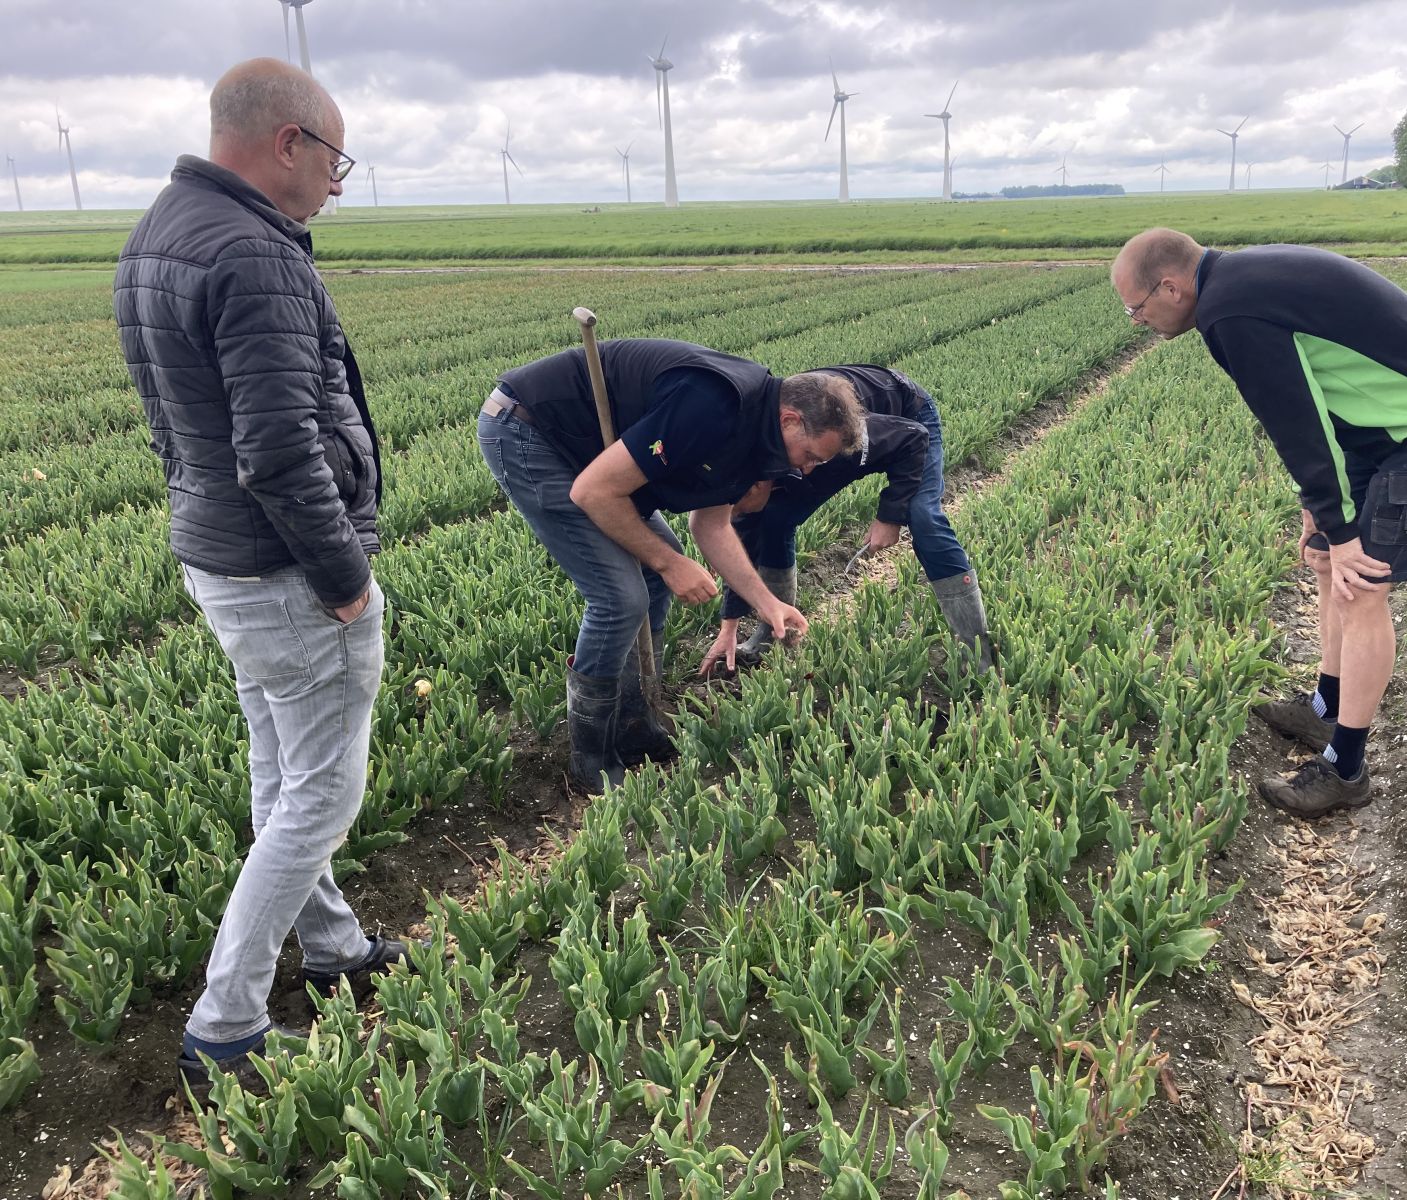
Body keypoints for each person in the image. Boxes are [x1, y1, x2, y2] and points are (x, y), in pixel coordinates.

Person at [114, 59, 407, 1090]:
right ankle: (226, 1024)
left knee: (282, 775)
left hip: (219, 554)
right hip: (285, 568)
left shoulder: (160, 231)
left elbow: (172, 423)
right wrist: (345, 581)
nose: (337, 182)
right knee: (321, 794)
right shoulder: (256, 253)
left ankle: (332, 952)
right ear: (288, 141)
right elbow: (279, 451)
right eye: (335, 160)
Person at [1110, 229, 1407, 818]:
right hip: (1372, 422)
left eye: (1136, 307)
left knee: (1361, 585)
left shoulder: (1229, 311)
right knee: (1323, 559)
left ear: (1170, 285)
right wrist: (1322, 515)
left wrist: (1346, 535)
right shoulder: (1237, 282)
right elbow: (1317, 389)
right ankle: (1324, 708)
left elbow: (1296, 421)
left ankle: (1346, 769)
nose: (1135, 320)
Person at [478, 339, 864, 792]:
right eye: (813, 455)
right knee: (619, 596)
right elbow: (593, 492)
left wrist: (767, 603)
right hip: (529, 429)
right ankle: (592, 757)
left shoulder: (755, 435)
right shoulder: (713, 407)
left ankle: (633, 724)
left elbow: (713, 526)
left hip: (587, 453)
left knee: (652, 580)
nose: (811, 469)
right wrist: (669, 562)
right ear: (790, 420)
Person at [698, 364, 994, 677]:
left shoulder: (815, 437)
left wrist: (889, 516)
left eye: (739, 508)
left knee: (923, 518)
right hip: (826, 448)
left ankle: (980, 657)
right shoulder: (764, 464)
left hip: (907, 419)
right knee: (774, 517)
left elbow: (913, 438)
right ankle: (773, 638)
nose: (739, 513)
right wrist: (728, 627)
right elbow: (744, 537)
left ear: (757, 484)